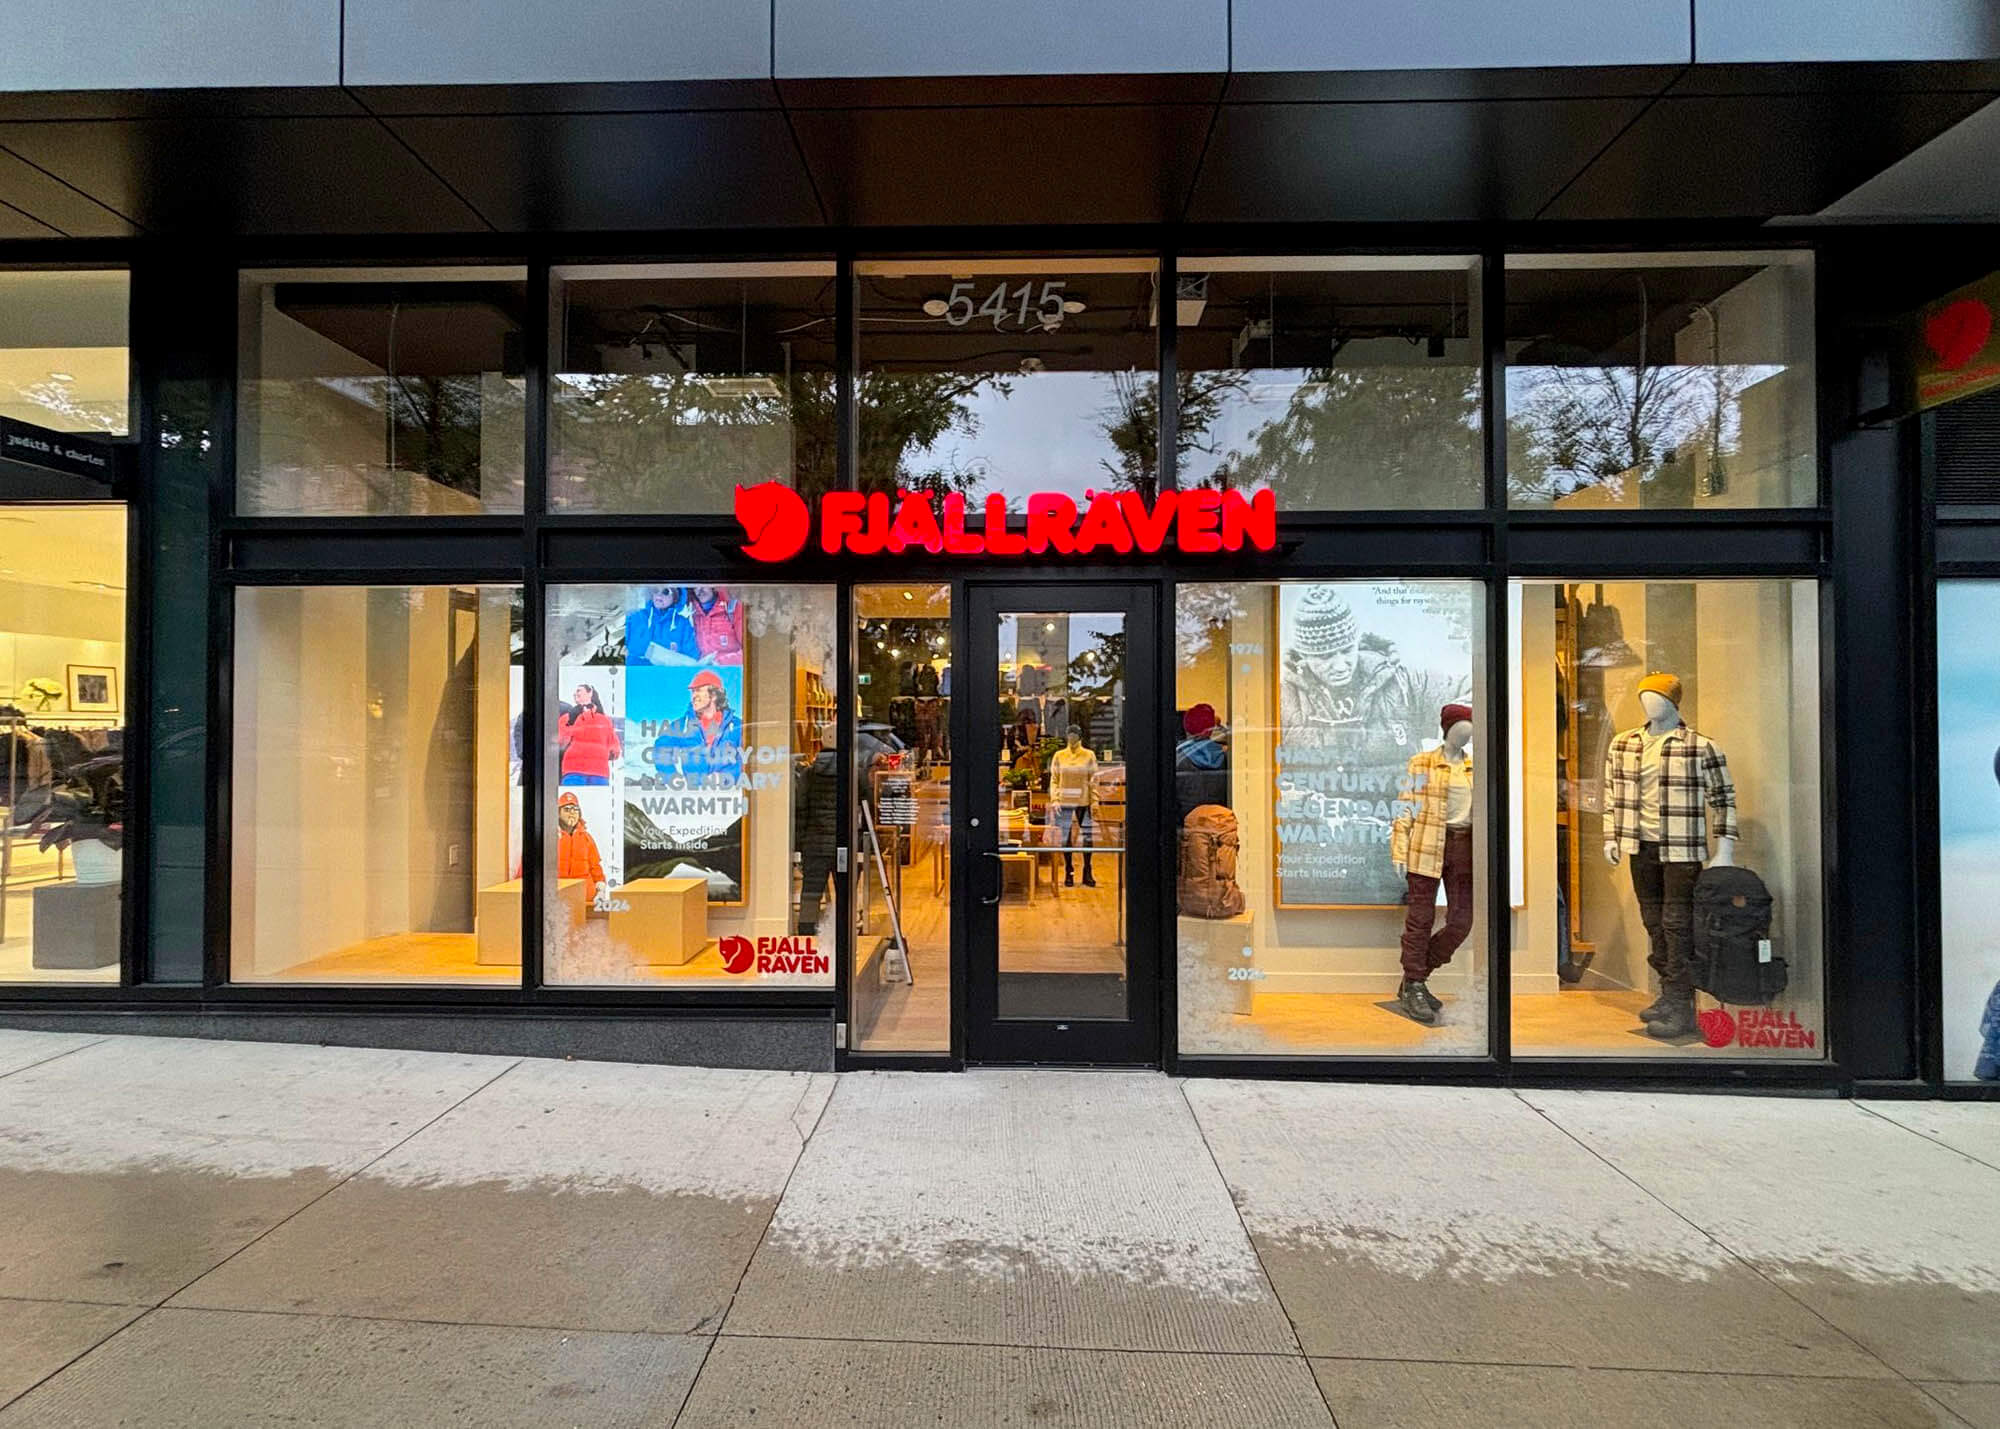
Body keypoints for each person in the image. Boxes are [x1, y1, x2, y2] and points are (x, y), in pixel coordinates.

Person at [651, 670, 743, 782]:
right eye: (693, 692)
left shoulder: (737, 726)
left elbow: (750, 761)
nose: (694, 696)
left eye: (698, 690)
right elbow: (660, 749)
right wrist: (671, 777)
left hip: (729, 793)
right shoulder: (682, 725)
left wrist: (726, 777)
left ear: (714, 695)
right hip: (693, 795)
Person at [794, 727, 840, 935]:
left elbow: (800, 809)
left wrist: (800, 843)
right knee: (845, 893)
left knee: (811, 892)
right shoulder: (852, 772)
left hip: (815, 842)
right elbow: (865, 804)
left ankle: (805, 933)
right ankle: (842, 932)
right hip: (843, 844)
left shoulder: (809, 773)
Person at [1047, 728, 1098, 887]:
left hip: (1084, 800)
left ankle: (1087, 870)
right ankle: (1069, 871)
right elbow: (1054, 779)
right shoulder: (1059, 755)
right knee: (1066, 838)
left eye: (1075, 735)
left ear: (1080, 737)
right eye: (1069, 734)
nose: (1072, 737)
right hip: (1064, 800)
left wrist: (1095, 800)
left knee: (1088, 837)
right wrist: (1054, 799)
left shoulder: (1089, 755)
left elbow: (1093, 779)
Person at [1175, 703, 1231, 827]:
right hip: (1220, 826)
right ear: (1211, 730)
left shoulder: (1178, 758)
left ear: (1186, 727)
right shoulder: (1228, 758)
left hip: (1188, 828)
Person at [557, 683, 621, 785]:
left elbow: (560, 742)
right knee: (597, 800)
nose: (575, 694)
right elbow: (615, 751)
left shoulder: (567, 717)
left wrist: (571, 723)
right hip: (599, 770)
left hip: (573, 768)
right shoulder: (604, 720)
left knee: (573, 800)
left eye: (579, 691)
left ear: (590, 692)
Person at [625, 585, 697, 666]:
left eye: (666, 592)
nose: (659, 596)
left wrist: (676, 658)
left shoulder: (683, 624)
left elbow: (692, 658)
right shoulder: (636, 617)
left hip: (666, 676)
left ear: (676, 597)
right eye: (655, 590)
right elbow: (619, 644)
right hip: (636, 675)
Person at [555, 791, 606, 903]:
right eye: (567, 809)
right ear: (558, 813)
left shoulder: (587, 838)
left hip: (585, 899)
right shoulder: (548, 837)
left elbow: (595, 866)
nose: (572, 813)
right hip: (558, 900)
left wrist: (601, 889)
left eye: (575, 809)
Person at [686, 586, 744, 664]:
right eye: (695, 587)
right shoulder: (692, 614)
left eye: (704, 584)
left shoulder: (732, 608)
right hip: (703, 673)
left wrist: (720, 662)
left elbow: (748, 651)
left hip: (731, 672)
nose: (700, 590)